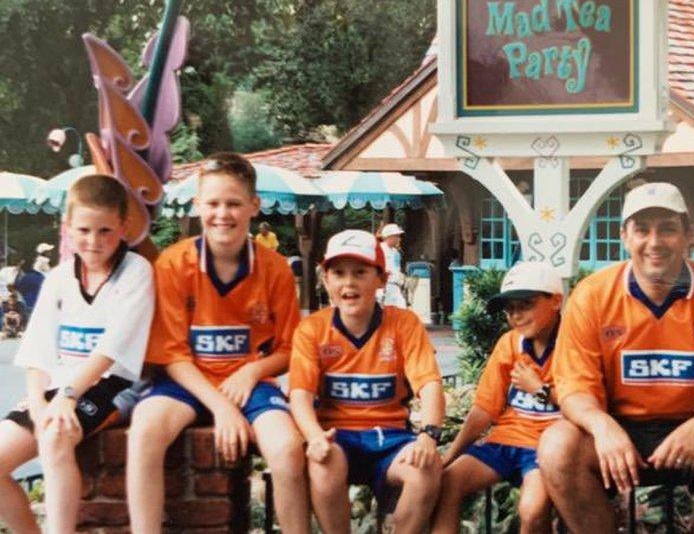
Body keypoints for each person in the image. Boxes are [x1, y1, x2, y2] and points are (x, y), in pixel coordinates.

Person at [537, 182, 694, 534]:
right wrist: (602, 427)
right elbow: (573, 387)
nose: (654, 242)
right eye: (642, 230)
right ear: (624, 236)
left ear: (690, 234)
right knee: (556, 446)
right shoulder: (592, 295)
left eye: (668, 229)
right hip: (619, 429)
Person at [126, 153, 310, 534]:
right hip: (186, 382)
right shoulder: (173, 264)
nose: (222, 213)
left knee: (288, 448)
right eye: (212, 203)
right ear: (197, 205)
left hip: (250, 384)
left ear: (254, 206)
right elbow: (171, 354)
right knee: (145, 430)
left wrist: (251, 371)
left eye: (234, 203)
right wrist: (222, 408)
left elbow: (290, 349)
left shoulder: (275, 268)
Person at [0, 174, 154, 534]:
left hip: (113, 382)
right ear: (68, 228)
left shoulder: (136, 272)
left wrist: (67, 397)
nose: (94, 241)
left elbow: (110, 349)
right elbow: (38, 350)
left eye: (105, 231)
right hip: (59, 386)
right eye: (84, 230)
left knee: (55, 435)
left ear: (124, 226)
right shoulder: (57, 277)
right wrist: (38, 403)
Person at [289, 229, 444, 534]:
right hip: (337, 436)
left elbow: (429, 384)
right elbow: (300, 395)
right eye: (339, 273)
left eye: (360, 272)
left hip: (391, 437)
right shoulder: (312, 329)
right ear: (326, 279)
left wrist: (429, 435)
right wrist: (314, 436)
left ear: (381, 279)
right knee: (323, 463)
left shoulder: (404, 323)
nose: (349, 282)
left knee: (426, 468)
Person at [432, 261, 563, 534]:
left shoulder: (573, 342)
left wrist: (539, 389)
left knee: (532, 511)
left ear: (556, 301)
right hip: (505, 441)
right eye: (510, 309)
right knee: (447, 482)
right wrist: (451, 456)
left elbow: (585, 400)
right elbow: (484, 409)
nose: (516, 315)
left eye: (526, 304)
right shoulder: (510, 343)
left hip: (546, 447)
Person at [378, 223, 407, 307]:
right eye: (396, 236)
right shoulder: (379, 249)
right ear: (389, 236)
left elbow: (397, 268)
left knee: (401, 308)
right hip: (383, 286)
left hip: (394, 286)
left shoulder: (396, 252)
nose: (399, 239)